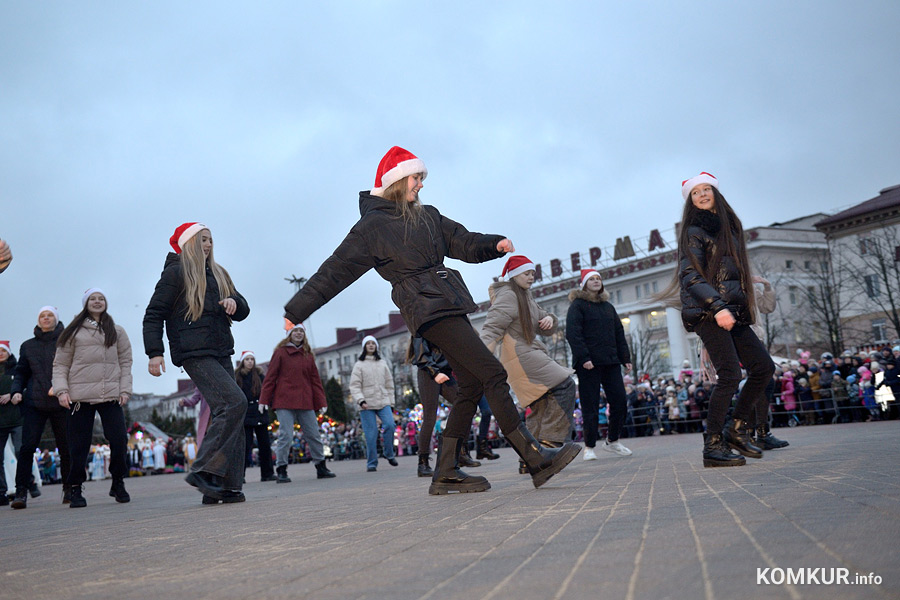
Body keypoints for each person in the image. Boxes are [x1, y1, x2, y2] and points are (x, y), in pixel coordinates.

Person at [282, 146, 579, 494]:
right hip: (425, 309)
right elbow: (335, 271)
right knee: (493, 373)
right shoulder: (371, 227)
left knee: (471, 384)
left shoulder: (428, 216)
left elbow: (462, 241)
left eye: (421, 178)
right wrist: (296, 310)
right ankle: (534, 457)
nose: (420, 185)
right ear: (395, 181)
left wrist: (493, 244)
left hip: (448, 302)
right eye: (415, 178)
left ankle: (447, 470)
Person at [670, 172, 775, 467]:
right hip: (707, 311)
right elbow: (690, 275)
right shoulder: (693, 231)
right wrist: (717, 307)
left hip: (733, 310)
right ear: (690, 201)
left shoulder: (730, 228)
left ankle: (738, 428)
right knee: (729, 375)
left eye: (707, 189)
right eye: (696, 192)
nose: (702, 194)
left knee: (764, 367)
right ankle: (713, 445)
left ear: (716, 193)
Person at [143, 222, 250, 504]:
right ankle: (204, 470)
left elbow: (244, 307)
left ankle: (225, 486)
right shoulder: (176, 273)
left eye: (211, 239)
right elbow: (154, 314)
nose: (208, 244)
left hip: (221, 349)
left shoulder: (218, 272)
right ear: (189, 243)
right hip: (194, 352)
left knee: (232, 414)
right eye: (203, 239)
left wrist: (234, 303)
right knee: (234, 403)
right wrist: (154, 353)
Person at [480, 255, 577, 474]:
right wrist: (481, 357)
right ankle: (549, 444)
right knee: (565, 385)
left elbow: (544, 321)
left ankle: (529, 458)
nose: (531, 277)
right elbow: (491, 327)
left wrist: (550, 319)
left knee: (540, 401)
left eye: (533, 273)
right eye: (527, 273)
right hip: (521, 356)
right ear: (514, 275)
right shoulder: (508, 296)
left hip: (526, 354)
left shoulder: (525, 296)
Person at [53, 288, 133, 507]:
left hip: (110, 396)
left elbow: (126, 362)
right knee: (78, 446)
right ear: (85, 304)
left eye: (101, 298)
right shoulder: (73, 332)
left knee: (119, 440)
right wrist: (61, 390)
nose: (97, 302)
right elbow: (60, 364)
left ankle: (118, 481)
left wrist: (124, 390)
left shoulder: (117, 331)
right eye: (92, 299)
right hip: (80, 396)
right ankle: (76, 488)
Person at [565, 269, 634, 460]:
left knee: (620, 401)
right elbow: (573, 333)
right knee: (590, 405)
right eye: (592, 279)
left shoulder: (608, 307)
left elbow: (619, 333)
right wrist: (584, 358)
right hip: (589, 364)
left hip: (611, 361)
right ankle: (589, 446)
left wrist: (625, 358)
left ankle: (613, 441)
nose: (596, 281)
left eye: (598, 279)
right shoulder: (577, 306)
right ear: (584, 284)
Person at [10, 306, 70, 508]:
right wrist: (16, 391)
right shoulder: (28, 346)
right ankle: (20, 493)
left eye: (50, 315)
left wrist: (64, 388)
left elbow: (74, 368)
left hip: (61, 402)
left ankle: (70, 489)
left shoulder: (66, 342)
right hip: (34, 403)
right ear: (38, 321)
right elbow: (21, 372)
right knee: (27, 448)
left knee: (66, 448)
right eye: (42, 316)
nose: (46, 318)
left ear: (56, 319)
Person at [260, 324, 335, 482]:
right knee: (286, 435)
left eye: (301, 331)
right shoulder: (280, 353)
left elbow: (315, 380)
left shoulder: (308, 354)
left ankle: (321, 466)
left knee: (313, 434)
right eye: (296, 331)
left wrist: (321, 401)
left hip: (305, 401)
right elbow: (270, 377)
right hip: (284, 401)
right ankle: (281, 469)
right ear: (289, 334)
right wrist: (264, 400)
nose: (299, 334)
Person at [407, 335, 481, 478]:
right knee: (429, 417)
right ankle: (422, 464)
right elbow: (421, 355)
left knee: (466, 406)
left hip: (445, 371)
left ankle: (461, 453)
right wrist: (435, 373)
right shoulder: (422, 324)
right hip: (428, 371)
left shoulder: (446, 323)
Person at [349, 336, 398, 472]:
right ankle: (371, 463)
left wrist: (391, 402)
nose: (371, 346)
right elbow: (354, 386)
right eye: (368, 344)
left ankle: (388, 453)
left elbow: (389, 384)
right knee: (371, 433)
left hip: (383, 401)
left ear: (376, 346)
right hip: (367, 403)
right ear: (364, 347)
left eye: (373, 343)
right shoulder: (359, 365)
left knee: (390, 425)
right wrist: (361, 400)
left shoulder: (382, 363)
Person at [234, 351, 276, 483]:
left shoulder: (260, 375)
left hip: (260, 412)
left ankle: (267, 473)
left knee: (265, 444)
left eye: (252, 359)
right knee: (245, 446)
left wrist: (266, 403)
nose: (250, 362)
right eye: (247, 359)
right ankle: (240, 475)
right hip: (245, 414)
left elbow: (267, 390)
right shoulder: (237, 377)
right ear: (242, 362)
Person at [0, 341, 23, 506]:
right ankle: (1, 491)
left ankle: (24, 486)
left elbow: (23, 386)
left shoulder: (17, 369)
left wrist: (12, 393)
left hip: (17, 419)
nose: (0, 353)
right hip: (0, 421)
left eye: (3, 351)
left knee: (21, 451)